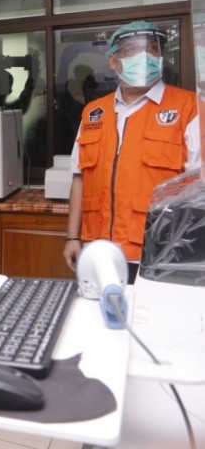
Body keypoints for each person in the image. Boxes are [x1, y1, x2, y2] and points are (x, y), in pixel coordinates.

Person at [62, 21, 201, 282]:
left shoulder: (189, 108)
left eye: (152, 49)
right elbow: (79, 177)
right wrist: (72, 236)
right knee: (99, 317)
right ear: (114, 61)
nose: (144, 56)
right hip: (99, 250)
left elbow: (198, 190)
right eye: (132, 50)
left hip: (160, 252)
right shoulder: (94, 112)